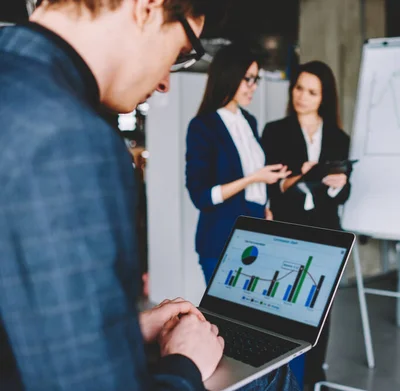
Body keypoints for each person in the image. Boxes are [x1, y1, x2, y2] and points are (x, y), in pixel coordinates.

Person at [0, 1, 298, 390]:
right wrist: (184, 364)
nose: (165, 83)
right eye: (181, 53)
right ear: (147, 7)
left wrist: (122, 329)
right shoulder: (68, 137)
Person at [261, 61, 352, 389]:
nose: (302, 96)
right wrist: (306, 173)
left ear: (324, 97)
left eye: (312, 92)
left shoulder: (339, 137)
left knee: (320, 313)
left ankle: (314, 376)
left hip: (328, 234)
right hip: (288, 231)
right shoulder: (275, 131)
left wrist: (338, 183)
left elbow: (344, 194)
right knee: (283, 308)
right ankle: (285, 376)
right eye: (299, 88)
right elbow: (273, 188)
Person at [185, 43, 290, 283]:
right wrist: (254, 178)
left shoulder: (249, 121)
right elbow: (201, 197)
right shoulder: (203, 126)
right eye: (248, 79)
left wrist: (265, 205)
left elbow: (255, 184)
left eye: (256, 80)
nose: (253, 87)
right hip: (220, 239)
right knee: (226, 320)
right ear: (229, 76)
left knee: (252, 315)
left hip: (255, 236)